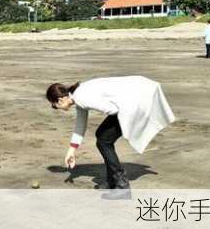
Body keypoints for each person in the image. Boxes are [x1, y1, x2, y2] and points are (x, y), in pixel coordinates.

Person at [46, 76, 175, 199]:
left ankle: (122, 185)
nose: (56, 108)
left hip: (137, 98)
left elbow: (113, 110)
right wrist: (71, 151)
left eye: (54, 106)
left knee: (103, 140)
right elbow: (81, 124)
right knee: (102, 137)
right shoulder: (78, 95)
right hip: (137, 92)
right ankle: (112, 181)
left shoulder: (81, 98)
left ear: (60, 100)